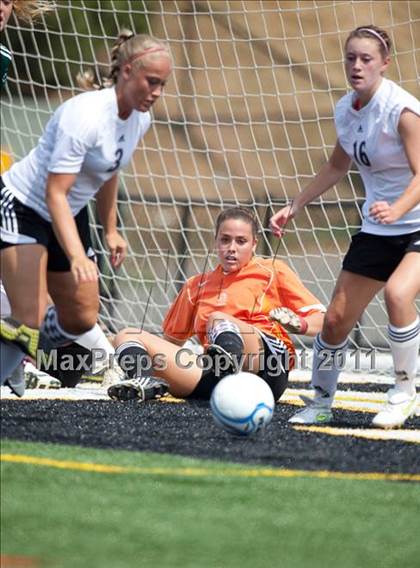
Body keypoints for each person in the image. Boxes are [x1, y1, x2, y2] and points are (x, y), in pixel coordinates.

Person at [0, 30, 173, 388]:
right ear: (126, 71)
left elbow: (109, 172)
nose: (156, 93)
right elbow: (54, 193)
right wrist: (78, 255)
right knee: (28, 316)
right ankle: (17, 342)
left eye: (163, 85)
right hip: (24, 206)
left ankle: (18, 341)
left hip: (66, 212)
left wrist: (110, 230)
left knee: (80, 318)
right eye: (151, 82)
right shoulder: (85, 116)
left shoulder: (140, 119)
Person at [270, 25, 420, 429]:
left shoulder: (402, 111)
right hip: (378, 229)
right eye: (351, 58)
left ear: (385, 64)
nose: (357, 66)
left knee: (398, 294)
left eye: (366, 59)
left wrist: (400, 207)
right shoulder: (345, 110)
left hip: (417, 222)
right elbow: (338, 165)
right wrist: (295, 205)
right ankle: (320, 400)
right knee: (335, 319)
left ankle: (404, 394)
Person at [106, 207, 325, 403]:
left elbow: (323, 320)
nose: (232, 248)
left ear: (254, 244)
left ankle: (229, 364)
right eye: (225, 240)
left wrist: (300, 324)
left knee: (218, 319)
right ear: (215, 242)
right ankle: (142, 381)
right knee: (126, 335)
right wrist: (129, 355)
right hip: (215, 373)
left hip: (266, 371)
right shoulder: (195, 286)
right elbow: (170, 344)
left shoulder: (271, 271)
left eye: (241, 241)